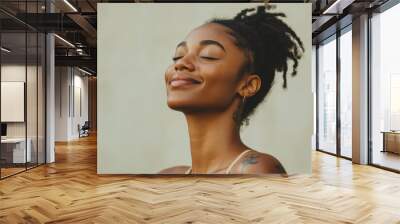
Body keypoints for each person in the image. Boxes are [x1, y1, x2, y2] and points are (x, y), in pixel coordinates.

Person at [159, 5, 304, 174]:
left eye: (208, 56)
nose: (180, 63)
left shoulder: (255, 169)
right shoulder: (168, 175)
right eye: (178, 55)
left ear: (248, 86)